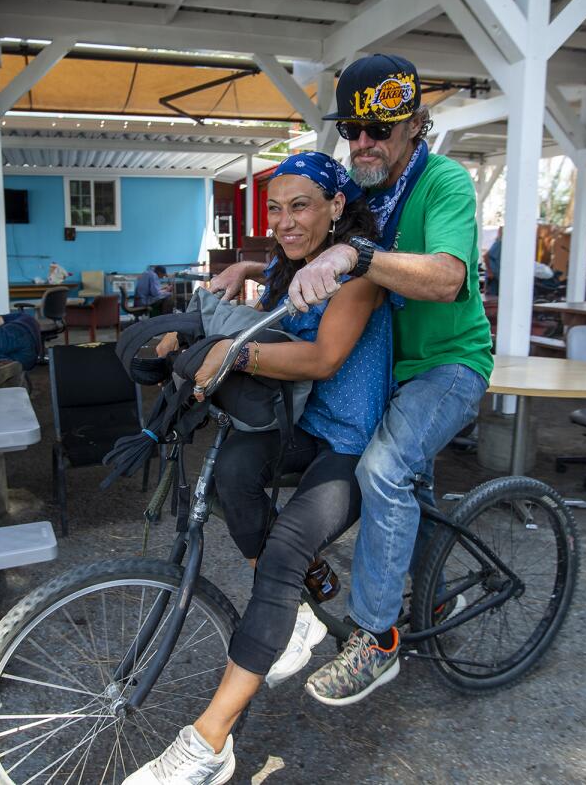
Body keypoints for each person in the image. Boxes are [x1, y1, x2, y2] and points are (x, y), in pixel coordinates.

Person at [209, 54, 492, 707]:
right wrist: (253, 265)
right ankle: (434, 588)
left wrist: (359, 255)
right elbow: (316, 243)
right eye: (352, 129)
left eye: (380, 129)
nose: (363, 142)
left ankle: (378, 637)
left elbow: (448, 278)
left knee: (385, 470)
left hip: (446, 362)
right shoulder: (360, 191)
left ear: (416, 126)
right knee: (405, 488)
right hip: (389, 369)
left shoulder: (446, 183)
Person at [125, 153, 390, 785]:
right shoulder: (292, 264)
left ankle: (209, 742)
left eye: (300, 206)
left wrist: (232, 356)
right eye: (275, 207)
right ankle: (300, 607)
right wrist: (241, 268)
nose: (285, 220)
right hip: (305, 429)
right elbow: (271, 273)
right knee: (229, 476)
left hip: (356, 441)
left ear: (335, 207)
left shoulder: (356, 270)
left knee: (285, 550)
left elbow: (324, 359)